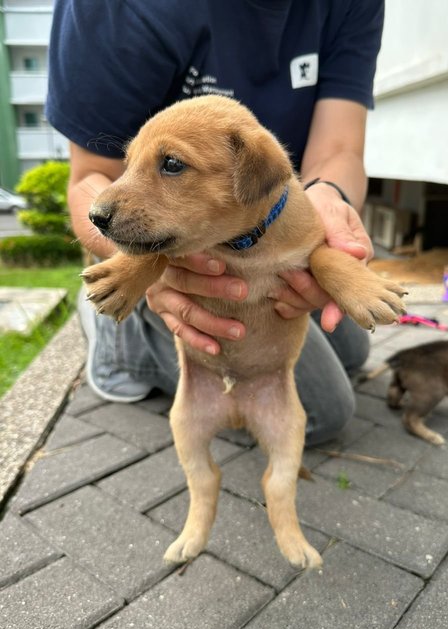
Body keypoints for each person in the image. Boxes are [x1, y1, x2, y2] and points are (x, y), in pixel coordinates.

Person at [46, 0, 384, 445]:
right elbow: (93, 182)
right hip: (159, 243)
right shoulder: (116, 8)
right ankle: (120, 346)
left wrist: (329, 200)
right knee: (325, 413)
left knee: (355, 350)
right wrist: (149, 268)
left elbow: (340, 149)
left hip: (262, 221)